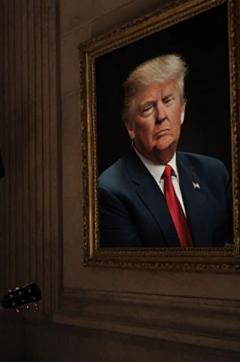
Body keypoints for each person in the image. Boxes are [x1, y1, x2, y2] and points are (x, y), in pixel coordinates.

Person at [97, 53, 232, 248]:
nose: (161, 116)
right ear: (130, 127)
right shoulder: (110, 191)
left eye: (168, 100)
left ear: (182, 110)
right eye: (148, 108)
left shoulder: (214, 174)